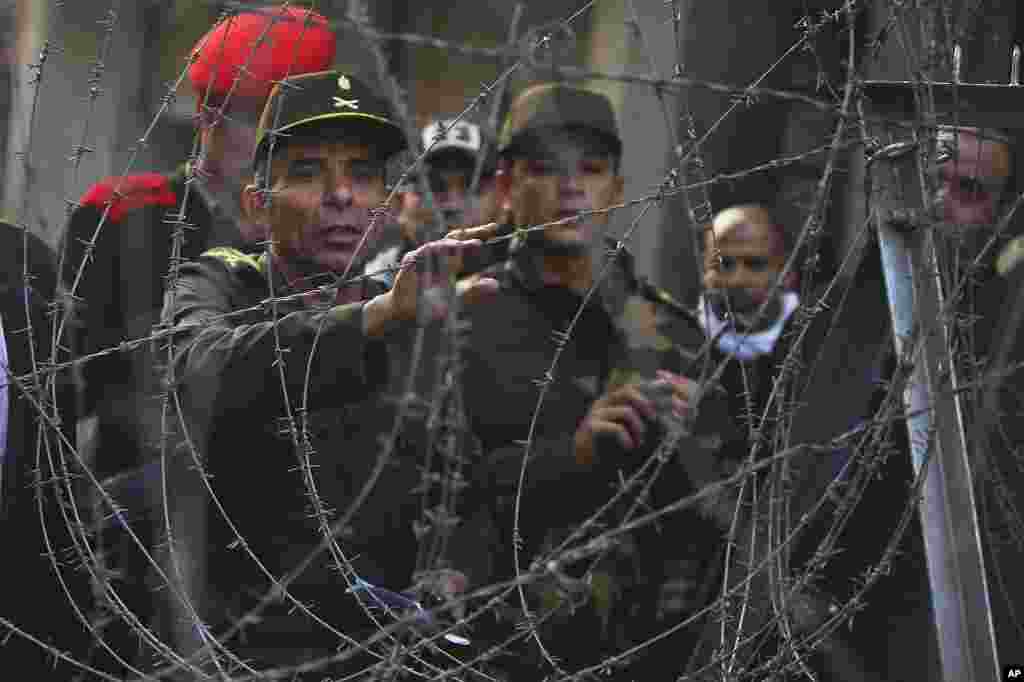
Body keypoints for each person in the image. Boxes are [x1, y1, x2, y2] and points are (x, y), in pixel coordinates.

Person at [164, 68, 498, 676]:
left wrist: (451, 576)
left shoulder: (413, 310)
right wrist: (370, 319)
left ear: (387, 206)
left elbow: (463, 479)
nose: (341, 195)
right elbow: (201, 367)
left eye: (363, 175)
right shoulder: (221, 283)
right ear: (255, 205)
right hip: (234, 648)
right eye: (310, 172)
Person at [56, 6, 338, 671]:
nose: (280, 140)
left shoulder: (332, 232)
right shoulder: (130, 217)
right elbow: (77, 390)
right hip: (147, 532)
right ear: (210, 119)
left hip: (291, 544)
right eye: (257, 120)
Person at [448, 82, 736, 679]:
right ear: (506, 187)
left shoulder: (675, 336)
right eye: (545, 169)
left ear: (618, 188)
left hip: (645, 652)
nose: (570, 187)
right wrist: (570, 455)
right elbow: (430, 495)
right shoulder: (466, 318)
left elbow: (723, 519)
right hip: (492, 650)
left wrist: (698, 438)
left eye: (591, 169)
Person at [364, 117, 499, 286]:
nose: (453, 204)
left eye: (472, 185)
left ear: (504, 196)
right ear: (398, 202)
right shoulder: (367, 289)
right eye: (432, 186)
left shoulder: (527, 289)